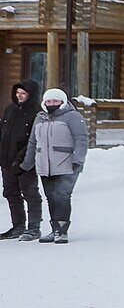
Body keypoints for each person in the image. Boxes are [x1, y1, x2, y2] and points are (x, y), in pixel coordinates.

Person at [23, 85, 87, 242]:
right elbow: (32, 141)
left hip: (66, 165)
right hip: (45, 166)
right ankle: (54, 229)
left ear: (63, 101)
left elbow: (81, 139)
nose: (52, 103)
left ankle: (62, 231)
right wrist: (27, 163)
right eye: (49, 101)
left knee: (62, 196)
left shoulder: (72, 117)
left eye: (55, 101)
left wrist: (77, 160)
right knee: (51, 197)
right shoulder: (40, 117)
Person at [1, 78, 42, 241]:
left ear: (31, 95)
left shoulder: (37, 112)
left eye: (23, 93)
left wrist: (22, 160)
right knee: (11, 193)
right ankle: (18, 226)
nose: (20, 96)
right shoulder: (10, 109)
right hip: (6, 160)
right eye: (18, 93)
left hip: (26, 161)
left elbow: (34, 139)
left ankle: (34, 227)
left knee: (30, 193)